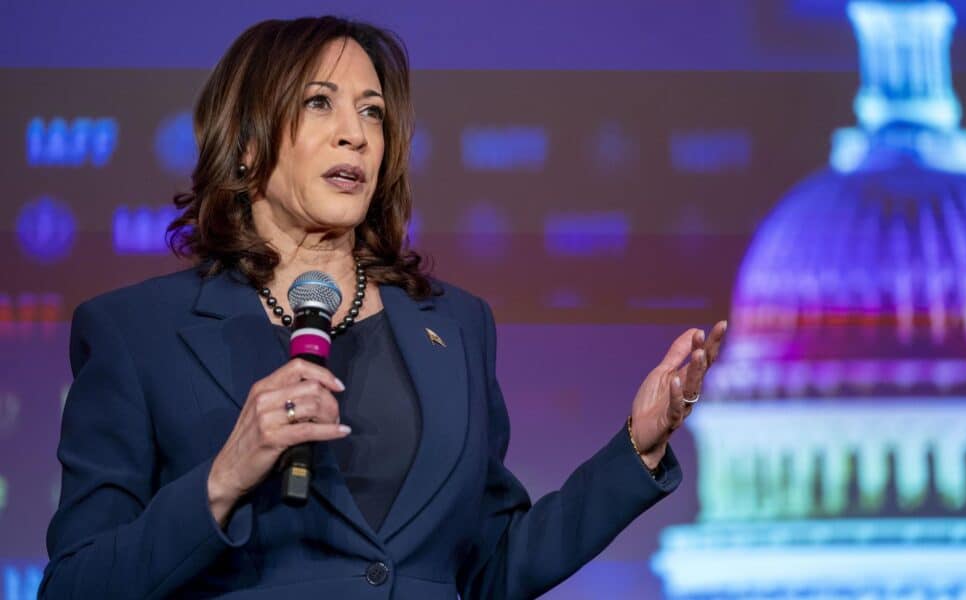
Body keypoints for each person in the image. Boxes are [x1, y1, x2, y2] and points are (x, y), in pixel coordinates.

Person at [40, 16, 726, 600]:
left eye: (373, 111)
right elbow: (76, 584)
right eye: (320, 104)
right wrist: (223, 479)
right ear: (246, 146)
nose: (356, 135)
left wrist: (637, 448)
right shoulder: (138, 333)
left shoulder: (455, 327)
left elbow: (493, 565)